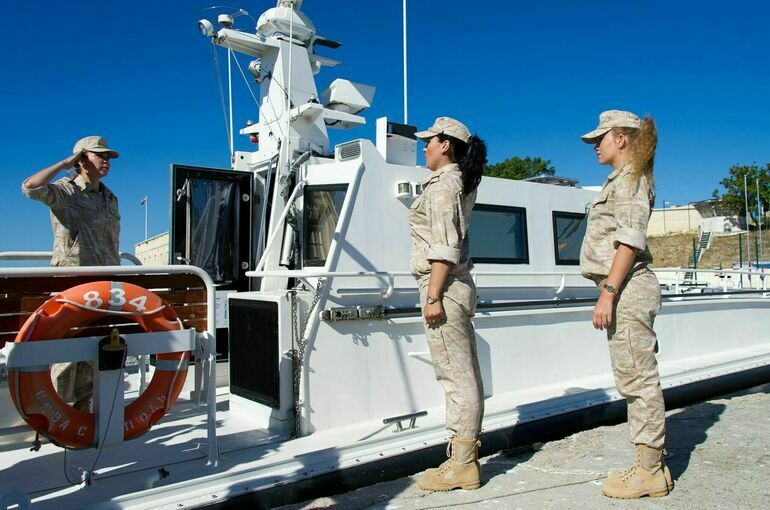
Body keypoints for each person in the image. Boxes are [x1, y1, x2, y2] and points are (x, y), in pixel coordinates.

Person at [579, 110, 672, 498]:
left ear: (621, 138)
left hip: (627, 288)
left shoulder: (632, 178)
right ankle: (647, 463)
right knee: (632, 376)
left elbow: (630, 241)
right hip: (624, 287)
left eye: (600, 138)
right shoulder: (620, 179)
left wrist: (608, 292)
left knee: (637, 378)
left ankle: (650, 471)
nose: (595, 146)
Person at [410, 117, 487, 491]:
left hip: (444, 287)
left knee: (456, 378)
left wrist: (433, 295)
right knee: (462, 376)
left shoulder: (443, 186)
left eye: (429, 140)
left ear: (446, 145)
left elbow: (444, 246)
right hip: (454, 287)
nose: (424, 146)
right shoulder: (457, 181)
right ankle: (461, 459)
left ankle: (463, 465)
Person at [22, 135, 121, 412]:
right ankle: (58, 419)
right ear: (81, 160)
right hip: (72, 288)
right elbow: (30, 187)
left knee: (92, 354)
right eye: (100, 155)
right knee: (66, 358)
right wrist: (64, 164)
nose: (106, 160)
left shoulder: (111, 198)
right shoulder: (65, 191)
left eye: (108, 157)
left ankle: (82, 416)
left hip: (104, 288)